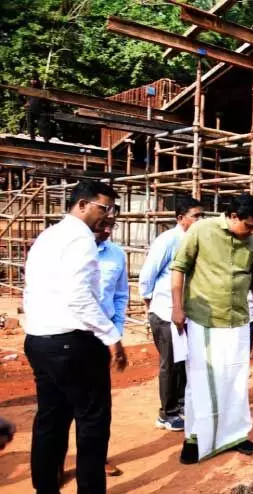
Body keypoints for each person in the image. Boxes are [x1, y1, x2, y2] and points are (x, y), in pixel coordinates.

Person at [23, 180, 127, 493]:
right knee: (92, 422)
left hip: (40, 339)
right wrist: (112, 336)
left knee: (50, 420)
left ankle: (45, 487)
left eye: (111, 210)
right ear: (81, 204)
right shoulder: (81, 239)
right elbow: (79, 297)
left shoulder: (49, 235)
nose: (108, 216)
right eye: (103, 208)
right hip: (73, 342)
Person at [171, 194, 253, 464]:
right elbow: (179, 267)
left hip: (238, 319)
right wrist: (177, 307)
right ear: (233, 216)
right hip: (204, 318)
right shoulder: (202, 229)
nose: (252, 232)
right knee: (200, 379)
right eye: (248, 226)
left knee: (235, 378)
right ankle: (194, 436)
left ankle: (234, 435)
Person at [138, 196, 203, 432]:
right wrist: (150, 302)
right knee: (170, 364)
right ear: (180, 218)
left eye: (201, 215)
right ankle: (167, 413)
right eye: (195, 216)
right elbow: (148, 274)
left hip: (186, 312)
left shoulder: (196, 240)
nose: (200, 220)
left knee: (184, 360)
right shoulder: (168, 241)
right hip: (166, 311)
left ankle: (182, 404)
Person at [94, 213, 128, 478]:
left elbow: (119, 295)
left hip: (100, 338)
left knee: (98, 406)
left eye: (111, 226)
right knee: (58, 408)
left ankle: (97, 457)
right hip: (62, 336)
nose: (107, 230)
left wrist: (115, 333)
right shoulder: (61, 247)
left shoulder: (116, 254)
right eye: (102, 224)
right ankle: (53, 465)